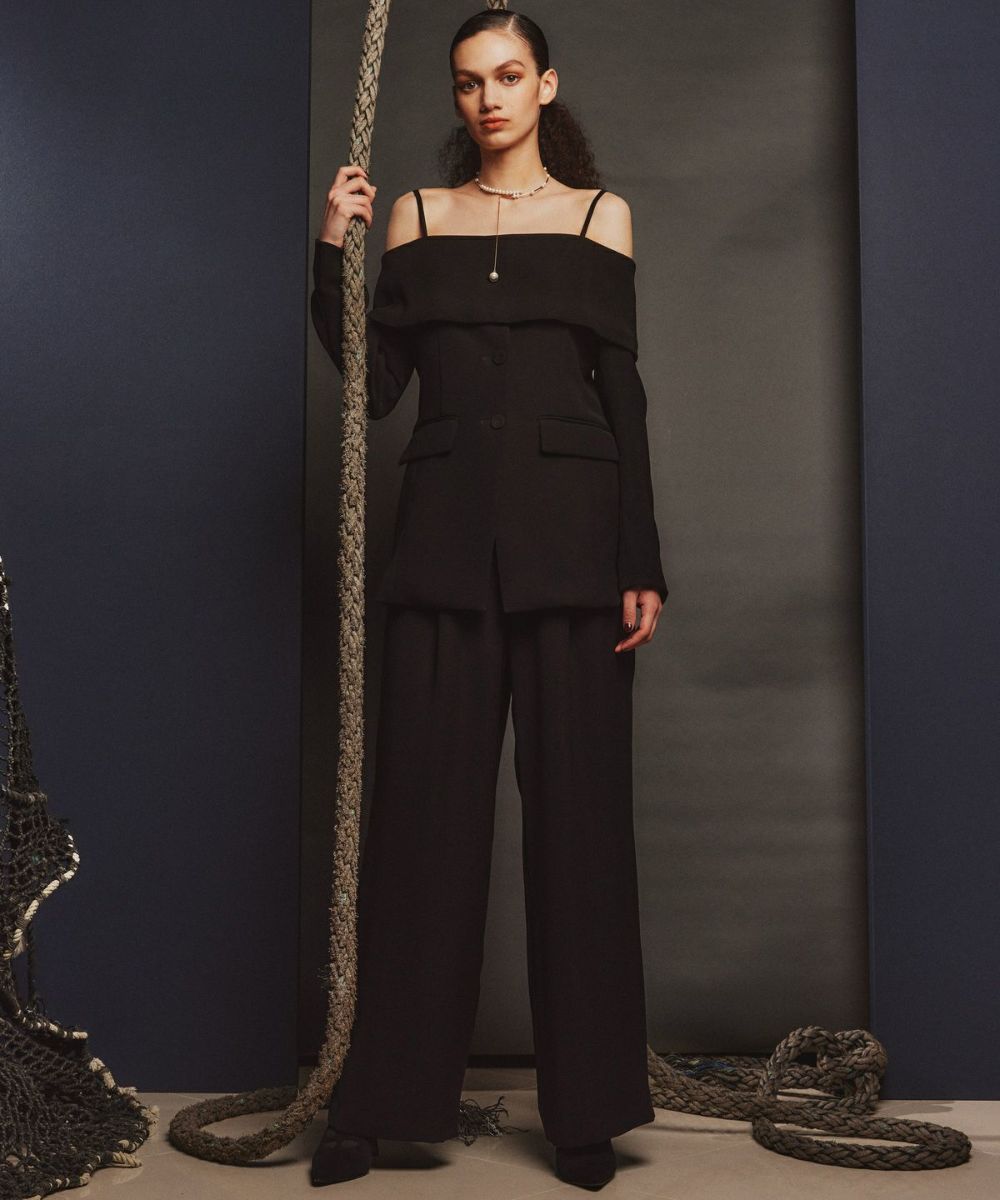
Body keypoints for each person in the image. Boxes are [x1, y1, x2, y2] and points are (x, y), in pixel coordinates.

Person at [308, 8, 668, 1191]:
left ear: (544, 84)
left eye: (509, 76)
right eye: (469, 82)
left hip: (576, 556)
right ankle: (378, 1105)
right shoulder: (415, 214)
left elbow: (622, 396)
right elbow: (373, 387)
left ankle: (586, 1115)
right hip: (444, 553)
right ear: (456, 96)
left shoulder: (600, 216)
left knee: (580, 832)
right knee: (421, 831)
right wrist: (332, 252)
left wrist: (639, 562)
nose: (489, 98)